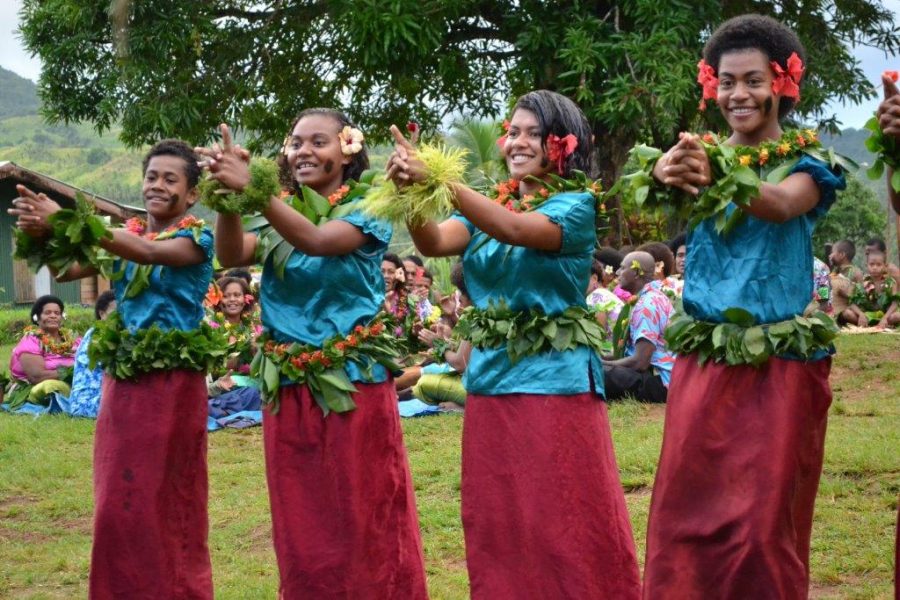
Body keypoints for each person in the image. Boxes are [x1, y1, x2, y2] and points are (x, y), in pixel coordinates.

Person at [387, 89, 640, 598]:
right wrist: (411, 196)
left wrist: (441, 180)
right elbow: (433, 242)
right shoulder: (493, 203)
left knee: (562, 515)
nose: (517, 142)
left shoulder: (576, 205)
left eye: (534, 133)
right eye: (514, 131)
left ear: (563, 145)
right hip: (491, 377)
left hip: (555, 380)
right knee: (501, 517)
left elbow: (517, 229)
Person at [640, 15, 846, 599]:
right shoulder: (693, 158)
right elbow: (662, 182)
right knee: (685, 517)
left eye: (753, 80)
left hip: (780, 365)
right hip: (705, 363)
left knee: (762, 525)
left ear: (783, 82)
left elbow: (781, 205)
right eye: (726, 81)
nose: (738, 95)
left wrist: (716, 176)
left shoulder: (809, 164)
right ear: (712, 85)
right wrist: (662, 169)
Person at [199, 112, 427, 599]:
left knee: (363, 512)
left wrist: (255, 192)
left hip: (354, 386)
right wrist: (228, 197)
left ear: (347, 150)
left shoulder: (372, 205)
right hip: (289, 386)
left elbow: (321, 242)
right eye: (295, 143)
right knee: (302, 518)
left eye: (318, 142)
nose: (303, 151)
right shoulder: (280, 212)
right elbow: (233, 252)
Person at [10, 139, 217, 598]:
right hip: (123, 383)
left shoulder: (196, 238)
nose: (157, 185)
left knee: (165, 496)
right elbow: (66, 272)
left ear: (192, 194)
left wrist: (67, 218)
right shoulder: (129, 231)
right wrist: (44, 234)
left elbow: (148, 255)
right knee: (117, 500)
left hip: (174, 384)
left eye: (170, 179)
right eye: (151, 176)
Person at [602, 251, 675, 403]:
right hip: (660, 378)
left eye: (622, 268)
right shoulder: (650, 297)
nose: (617, 272)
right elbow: (629, 353)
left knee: (598, 372)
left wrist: (603, 364)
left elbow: (640, 362)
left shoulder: (647, 304)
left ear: (635, 273)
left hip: (660, 382)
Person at [6, 294, 80, 408]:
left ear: (62, 316)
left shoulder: (73, 339)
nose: (53, 316)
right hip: (36, 385)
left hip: (75, 382)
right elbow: (36, 377)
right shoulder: (31, 340)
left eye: (57, 313)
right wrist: (71, 371)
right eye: (47, 313)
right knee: (51, 386)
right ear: (37, 317)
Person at [206, 276, 262, 417]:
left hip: (247, 384)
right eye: (226, 296)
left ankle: (223, 408)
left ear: (245, 299)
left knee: (255, 392)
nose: (232, 300)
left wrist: (257, 349)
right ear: (218, 300)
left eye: (237, 295)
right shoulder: (209, 327)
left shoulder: (253, 327)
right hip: (218, 385)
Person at [65, 290, 116, 418]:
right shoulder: (98, 335)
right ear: (102, 314)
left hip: (100, 398)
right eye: (115, 313)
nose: (120, 317)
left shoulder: (106, 331)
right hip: (88, 403)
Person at [846, 249, 900, 328]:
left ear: (885, 266)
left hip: (886, 316)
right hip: (866, 316)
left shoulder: (891, 282)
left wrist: (885, 318)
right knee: (847, 313)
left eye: (879, 265)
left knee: (898, 316)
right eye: (871, 264)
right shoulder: (861, 282)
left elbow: (895, 303)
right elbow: (851, 302)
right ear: (866, 265)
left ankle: (883, 323)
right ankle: (865, 322)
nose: (875, 267)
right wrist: (861, 314)